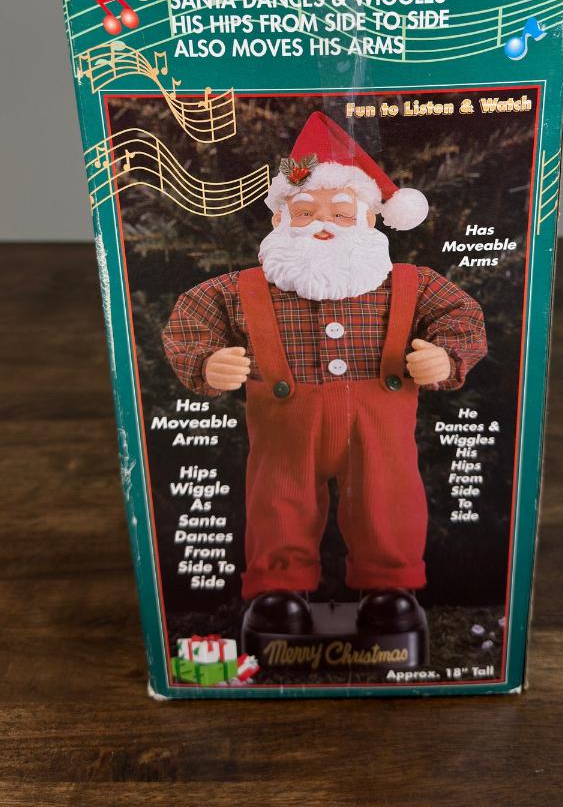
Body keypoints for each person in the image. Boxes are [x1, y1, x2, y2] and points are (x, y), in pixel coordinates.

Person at [163, 110, 487, 634]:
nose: (322, 224)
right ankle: (278, 592)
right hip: (285, 428)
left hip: (380, 426)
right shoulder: (242, 290)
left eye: (340, 212)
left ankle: (390, 589)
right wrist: (205, 362)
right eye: (305, 211)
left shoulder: (412, 283)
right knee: (278, 503)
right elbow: (192, 319)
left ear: (369, 220)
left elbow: (461, 315)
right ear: (279, 220)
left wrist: (447, 355)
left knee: (388, 499)